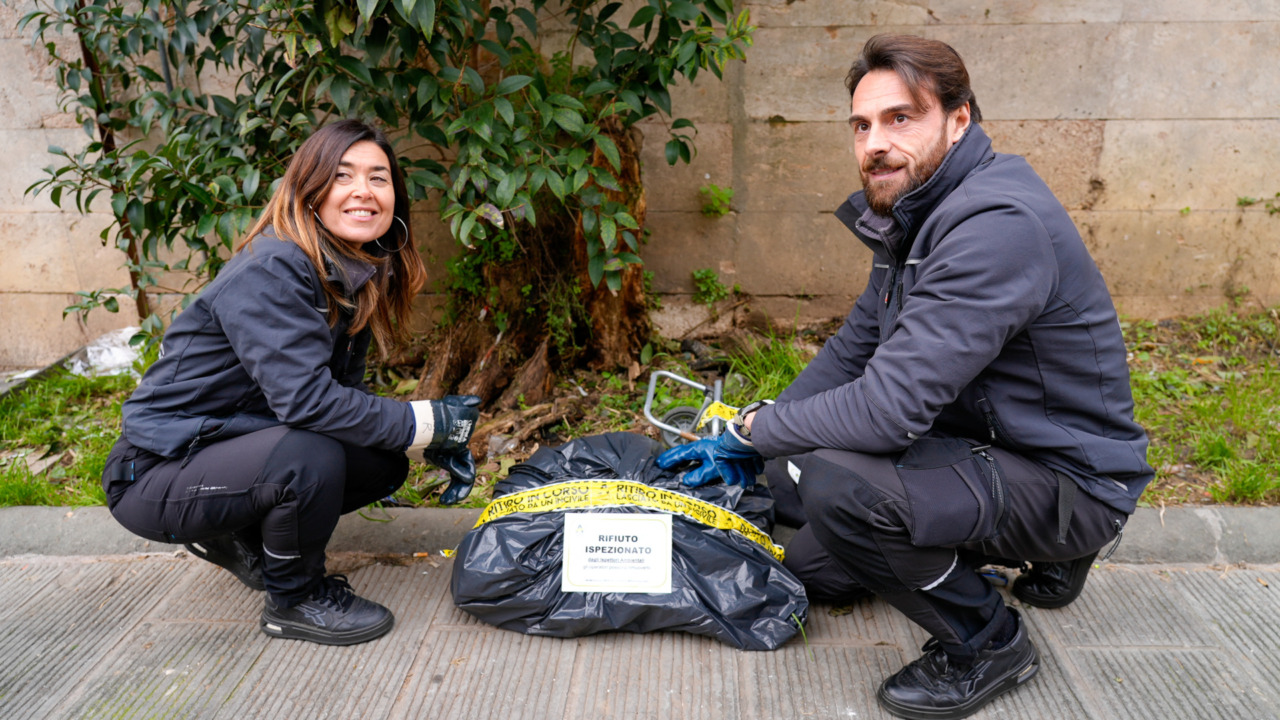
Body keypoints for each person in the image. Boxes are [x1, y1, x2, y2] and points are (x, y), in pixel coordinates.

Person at [657, 35, 1153, 720]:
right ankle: (1021, 549)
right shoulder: (917, 215)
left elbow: (888, 412)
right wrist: (759, 437)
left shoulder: (993, 228)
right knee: (814, 567)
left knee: (838, 488)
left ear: (959, 120)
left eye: (900, 118)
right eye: (861, 126)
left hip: (1069, 474)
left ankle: (988, 642)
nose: (875, 144)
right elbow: (854, 349)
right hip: (990, 444)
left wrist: (758, 430)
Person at [101, 120, 481, 647]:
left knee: (379, 462)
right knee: (309, 454)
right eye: (343, 175)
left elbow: (341, 399)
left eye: (379, 178)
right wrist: (430, 424)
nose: (363, 191)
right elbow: (308, 405)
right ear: (309, 189)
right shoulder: (275, 266)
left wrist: (420, 442)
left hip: (225, 448)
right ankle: (295, 600)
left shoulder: (350, 271)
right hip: (155, 474)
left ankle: (237, 535)